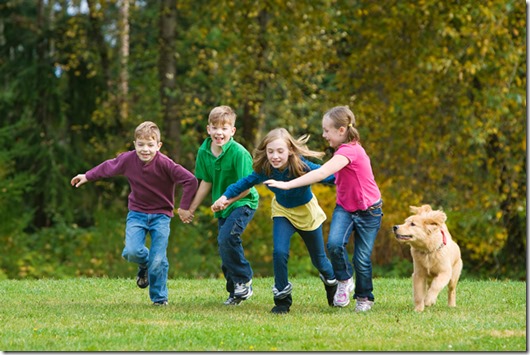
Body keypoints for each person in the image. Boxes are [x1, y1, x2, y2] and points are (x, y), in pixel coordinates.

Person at [264, 106, 383, 312]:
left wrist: (287, 184)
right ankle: (344, 280)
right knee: (335, 244)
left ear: (342, 130)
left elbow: (322, 173)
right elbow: (334, 177)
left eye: (327, 130)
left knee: (361, 258)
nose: (323, 134)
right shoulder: (341, 152)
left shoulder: (351, 150)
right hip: (345, 208)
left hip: (369, 211)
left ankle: (364, 297)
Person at [70, 121, 198, 306]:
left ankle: (159, 299)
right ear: (134, 144)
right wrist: (87, 176)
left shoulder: (165, 164)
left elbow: (190, 180)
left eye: (150, 145)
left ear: (158, 146)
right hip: (137, 213)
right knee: (131, 252)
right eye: (141, 145)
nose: (145, 149)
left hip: (161, 216)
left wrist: (184, 207)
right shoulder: (128, 160)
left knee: (159, 259)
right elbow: (108, 166)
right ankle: (145, 264)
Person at [212, 128, 338, 314]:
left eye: (280, 151)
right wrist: (225, 197)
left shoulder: (302, 166)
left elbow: (329, 176)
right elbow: (244, 183)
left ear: (290, 151)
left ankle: (332, 283)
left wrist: (351, 175)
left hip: (306, 213)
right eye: (270, 151)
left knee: (319, 260)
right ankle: (282, 300)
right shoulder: (266, 169)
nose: (275, 156)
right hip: (282, 212)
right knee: (279, 252)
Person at [179, 105, 259, 306]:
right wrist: (192, 208)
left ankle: (244, 279)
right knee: (224, 248)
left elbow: (247, 187)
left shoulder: (239, 153)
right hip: (222, 205)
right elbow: (206, 181)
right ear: (208, 129)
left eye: (224, 128)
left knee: (228, 237)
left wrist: (227, 200)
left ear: (232, 131)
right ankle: (235, 292)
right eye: (215, 128)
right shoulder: (204, 151)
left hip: (243, 201)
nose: (219, 133)